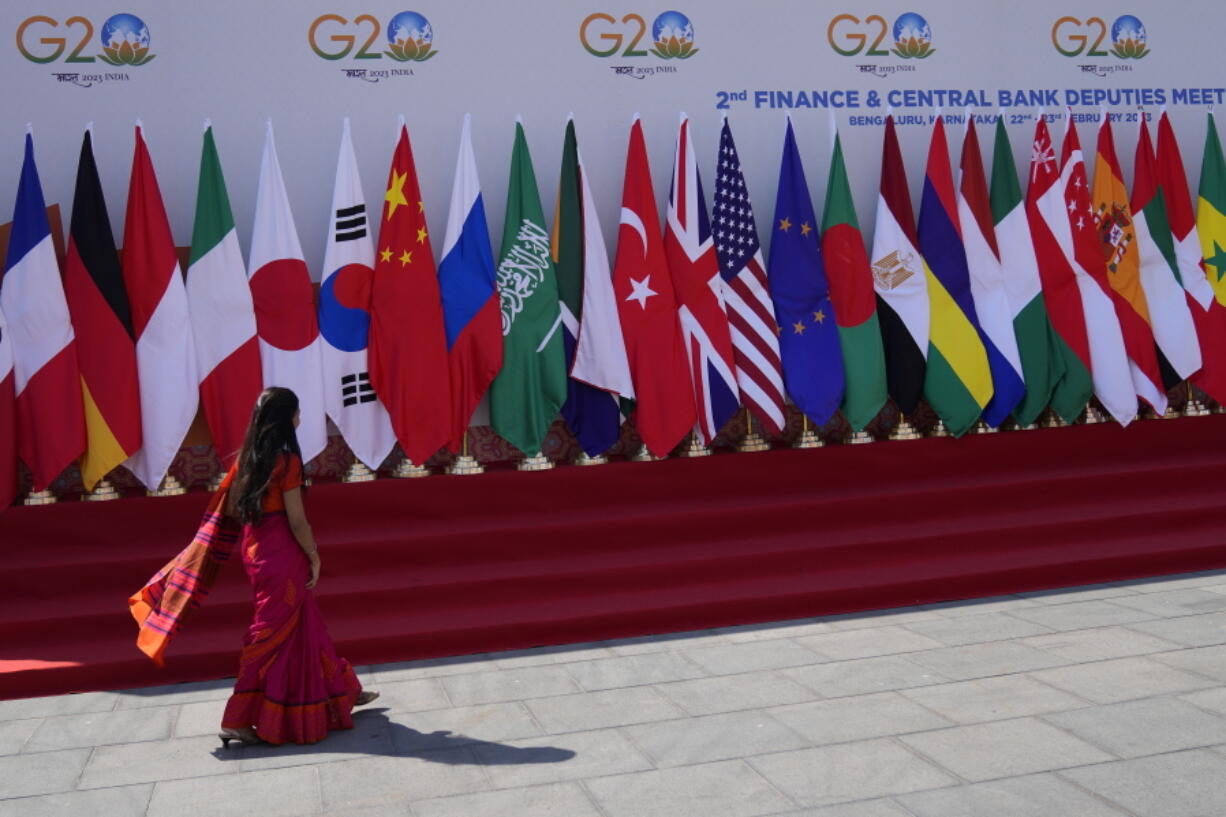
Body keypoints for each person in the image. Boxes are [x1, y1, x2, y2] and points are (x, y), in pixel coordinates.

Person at [215, 386, 378, 746]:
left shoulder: (246, 459)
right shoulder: (285, 461)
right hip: (282, 552)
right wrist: (315, 556)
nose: (300, 418)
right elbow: (298, 520)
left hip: (256, 549)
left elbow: (228, 510)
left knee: (304, 625)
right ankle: (236, 718)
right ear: (286, 418)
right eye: (297, 412)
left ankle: (341, 692)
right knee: (270, 636)